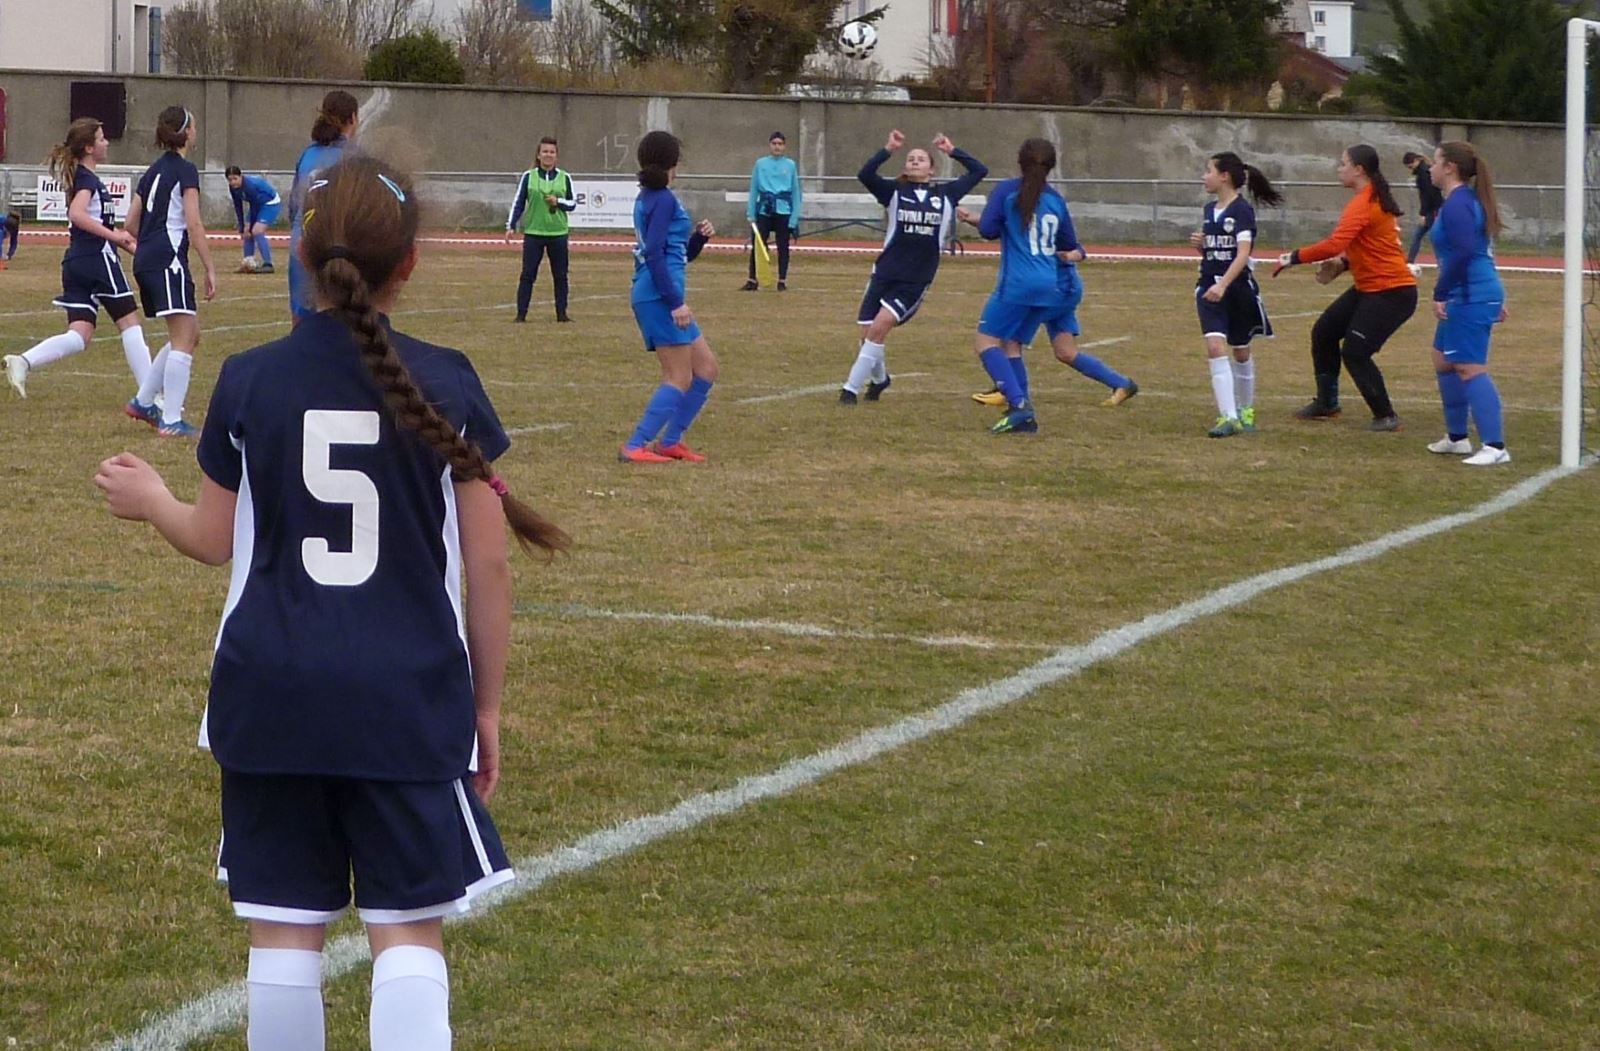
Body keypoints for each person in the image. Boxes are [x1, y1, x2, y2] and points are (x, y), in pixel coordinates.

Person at [93, 154, 570, 1051]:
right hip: (407, 696)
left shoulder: (249, 378)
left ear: (301, 255)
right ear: (409, 264)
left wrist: (153, 500)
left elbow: (211, 538)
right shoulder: (448, 380)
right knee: (407, 931)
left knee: (283, 934)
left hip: (270, 693)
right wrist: (487, 708)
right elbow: (489, 568)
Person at [4, 118, 152, 401]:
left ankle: (23, 361)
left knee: (79, 335)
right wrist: (113, 235)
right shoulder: (86, 180)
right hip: (97, 260)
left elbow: (97, 226)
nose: (106, 143)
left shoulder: (85, 179)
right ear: (89, 148)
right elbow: (77, 214)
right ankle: (149, 398)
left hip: (77, 262)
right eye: (101, 138)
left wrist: (129, 245)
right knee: (130, 325)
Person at [1273, 144, 1417, 432]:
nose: (1339, 169)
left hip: (1392, 291)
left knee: (1355, 352)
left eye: (1343, 164)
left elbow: (1334, 243)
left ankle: (1386, 416)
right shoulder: (1370, 198)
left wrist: (1294, 257)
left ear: (1359, 170)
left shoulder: (1365, 201)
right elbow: (1369, 246)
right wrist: (1344, 263)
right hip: (1371, 287)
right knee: (1324, 332)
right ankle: (1327, 403)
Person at [838, 129, 987, 405]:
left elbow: (979, 171)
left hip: (915, 279)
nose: (915, 161)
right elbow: (865, 175)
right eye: (910, 159)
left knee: (880, 327)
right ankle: (880, 380)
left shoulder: (946, 194)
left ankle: (849, 390)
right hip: (885, 272)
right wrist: (888, 149)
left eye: (921, 159)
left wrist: (952, 151)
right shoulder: (894, 192)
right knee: (868, 334)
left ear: (932, 170)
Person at [619, 130, 720, 464]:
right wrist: (675, 302)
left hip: (660, 291)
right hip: (659, 295)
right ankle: (636, 445)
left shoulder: (651, 197)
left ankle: (671, 441)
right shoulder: (661, 199)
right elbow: (655, 255)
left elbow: (675, 253)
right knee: (679, 376)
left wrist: (698, 240)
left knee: (706, 368)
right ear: (672, 162)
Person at [123, 106, 218, 438]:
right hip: (168, 261)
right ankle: (171, 419)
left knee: (190, 334)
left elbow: (130, 223)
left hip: (147, 259)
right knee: (183, 338)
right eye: (194, 126)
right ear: (187, 132)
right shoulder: (186, 171)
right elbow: (193, 224)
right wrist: (209, 267)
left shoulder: (152, 172)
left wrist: (149, 246)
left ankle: (143, 401)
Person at [1425, 141, 1511, 466]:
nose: (1430, 168)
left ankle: (1495, 446)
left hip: (1470, 294)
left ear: (1450, 168)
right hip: (1474, 292)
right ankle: (1457, 438)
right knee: (1443, 360)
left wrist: (1441, 292)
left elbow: (1464, 253)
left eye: (1435, 161)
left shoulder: (1459, 204)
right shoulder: (1461, 201)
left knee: (1468, 366)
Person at [1190, 151, 1283, 438]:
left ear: (1224, 176)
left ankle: (1245, 410)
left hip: (1237, 290)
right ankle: (1227, 417)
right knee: (1215, 347)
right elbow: (1216, 252)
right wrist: (1201, 246)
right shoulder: (1209, 210)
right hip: (1208, 286)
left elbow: (1243, 254)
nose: (1204, 177)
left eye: (1208, 171)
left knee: (1241, 351)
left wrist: (1224, 285)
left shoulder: (1242, 211)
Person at [288, 89, 358, 323]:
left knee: (301, 322)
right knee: (342, 322)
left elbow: (294, 205)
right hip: (337, 247)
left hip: (302, 243)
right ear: (353, 118)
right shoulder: (354, 157)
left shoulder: (307, 155)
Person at [503, 136, 575, 323]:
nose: (548, 155)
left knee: (560, 276)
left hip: (558, 233)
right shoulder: (529, 177)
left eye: (552, 152)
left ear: (556, 156)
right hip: (534, 233)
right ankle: (521, 315)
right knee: (527, 275)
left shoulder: (565, 177)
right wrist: (511, 225)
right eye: (545, 151)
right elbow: (519, 202)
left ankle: (562, 314)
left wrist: (558, 202)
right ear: (538, 155)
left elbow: (573, 203)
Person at [741, 130, 802, 292]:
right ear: (770, 145)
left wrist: (794, 218)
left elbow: (796, 192)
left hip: (783, 210)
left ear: (784, 146)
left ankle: (782, 280)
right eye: (774, 144)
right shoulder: (760, 164)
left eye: (780, 144)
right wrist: (751, 213)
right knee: (758, 245)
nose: (777, 147)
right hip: (764, 210)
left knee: (783, 246)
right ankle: (752, 279)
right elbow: (754, 189)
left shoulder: (790, 165)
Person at [227, 165, 283, 274]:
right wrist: (242, 226)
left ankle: (268, 264)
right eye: (230, 180)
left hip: (270, 203)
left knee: (257, 231)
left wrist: (250, 225)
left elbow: (255, 206)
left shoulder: (250, 186)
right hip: (257, 204)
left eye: (235, 179)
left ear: (241, 176)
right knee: (247, 232)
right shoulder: (233, 188)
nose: (233, 182)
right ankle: (248, 263)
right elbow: (238, 206)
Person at [1403, 151, 1443, 269]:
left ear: (1415, 161)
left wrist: (1423, 214)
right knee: (1421, 235)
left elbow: (1427, 195)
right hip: (1434, 208)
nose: (1410, 169)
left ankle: (1440, 262)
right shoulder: (1425, 171)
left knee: (1430, 236)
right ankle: (1410, 261)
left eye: (1410, 166)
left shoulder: (1423, 174)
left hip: (1432, 210)